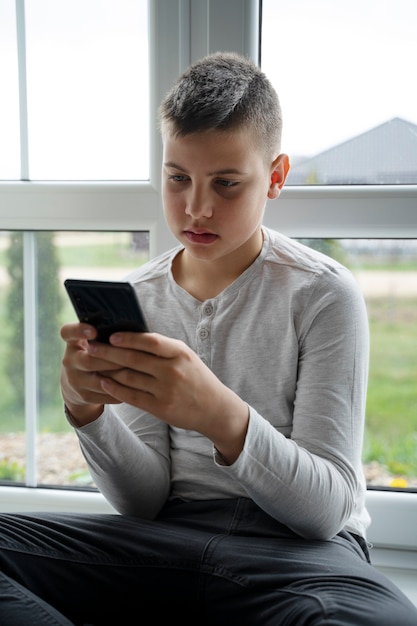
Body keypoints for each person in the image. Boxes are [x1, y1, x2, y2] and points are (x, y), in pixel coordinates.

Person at [1, 52, 416, 626]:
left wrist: (219, 415)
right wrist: (87, 410)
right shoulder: (140, 294)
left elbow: (324, 512)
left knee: (383, 621)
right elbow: (143, 503)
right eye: (178, 179)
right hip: (165, 549)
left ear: (274, 177)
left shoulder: (323, 293)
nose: (197, 207)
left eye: (226, 183)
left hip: (300, 561)